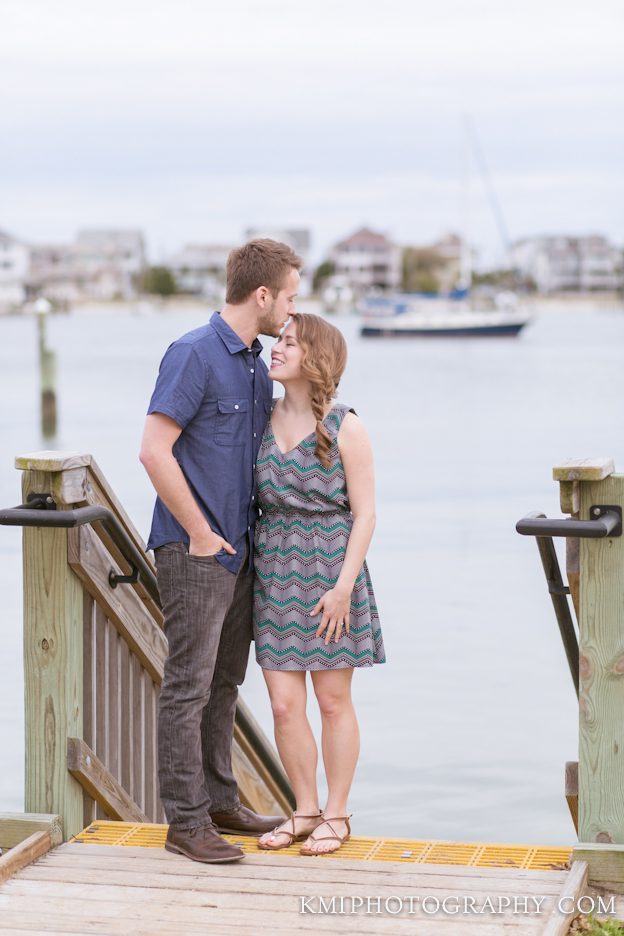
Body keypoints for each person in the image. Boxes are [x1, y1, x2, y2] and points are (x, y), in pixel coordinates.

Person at [139, 239, 303, 864]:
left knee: (224, 685)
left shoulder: (258, 365)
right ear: (262, 295)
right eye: (289, 296)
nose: (292, 309)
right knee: (188, 685)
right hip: (195, 550)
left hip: (243, 552)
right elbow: (154, 450)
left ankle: (219, 803)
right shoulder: (193, 354)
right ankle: (185, 823)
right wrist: (202, 533)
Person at [253, 313, 385, 856]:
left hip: (332, 571)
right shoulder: (259, 417)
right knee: (284, 704)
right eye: (277, 340)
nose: (275, 349)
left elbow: (367, 514)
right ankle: (304, 809)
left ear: (316, 356)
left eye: (288, 342)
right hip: (274, 567)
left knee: (332, 700)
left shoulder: (345, 423)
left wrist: (342, 587)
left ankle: (338, 812)